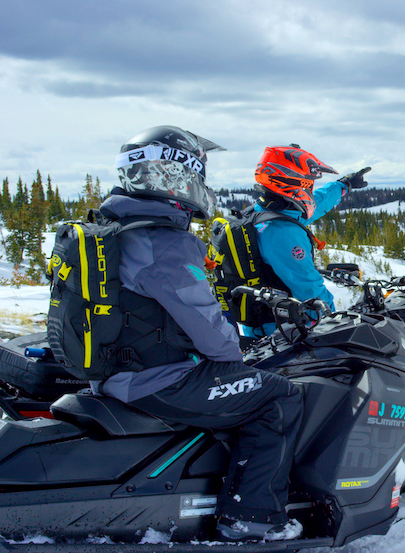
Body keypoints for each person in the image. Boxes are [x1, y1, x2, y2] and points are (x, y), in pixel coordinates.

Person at [100, 126, 304, 542]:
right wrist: (240, 350)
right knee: (280, 395)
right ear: (177, 176)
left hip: (118, 372)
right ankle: (253, 517)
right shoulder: (164, 242)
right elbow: (213, 336)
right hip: (159, 381)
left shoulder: (116, 230)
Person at [238, 144, 366, 339]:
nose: (310, 189)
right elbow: (309, 290)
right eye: (308, 184)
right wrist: (335, 323)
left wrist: (344, 185)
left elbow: (315, 204)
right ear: (293, 182)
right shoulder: (283, 234)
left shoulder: (263, 213)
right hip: (283, 333)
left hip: (268, 325)